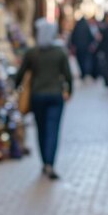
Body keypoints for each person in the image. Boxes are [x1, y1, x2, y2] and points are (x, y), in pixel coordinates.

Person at [16, 18, 72, 180]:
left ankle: (45, 162)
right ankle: (50, 163)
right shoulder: (59, 52)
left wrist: (15, 90)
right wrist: (70, 91)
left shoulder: (33, 52)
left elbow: (20, 74)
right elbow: (68, 76)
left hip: (37, 96)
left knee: (41, 130)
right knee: (52, 130)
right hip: (55, 96)